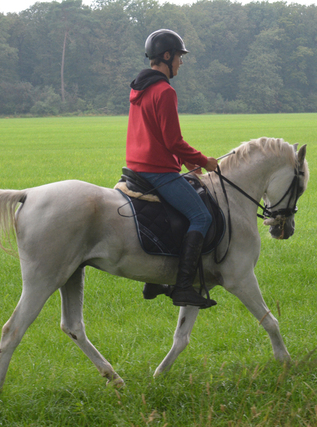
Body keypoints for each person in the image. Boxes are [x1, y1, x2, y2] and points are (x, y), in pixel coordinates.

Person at [126, 29, 218, 309]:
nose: (181, 62)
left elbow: (157, 136)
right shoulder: (165, 90)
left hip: (136, 168)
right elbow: (172, 140)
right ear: (167, 56)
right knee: (201, 217)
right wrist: (204, 160)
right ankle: (183, 288)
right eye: (179, 56)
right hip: (157, 172)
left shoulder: (139, 88)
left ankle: (154, 276)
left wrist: (185, 161)